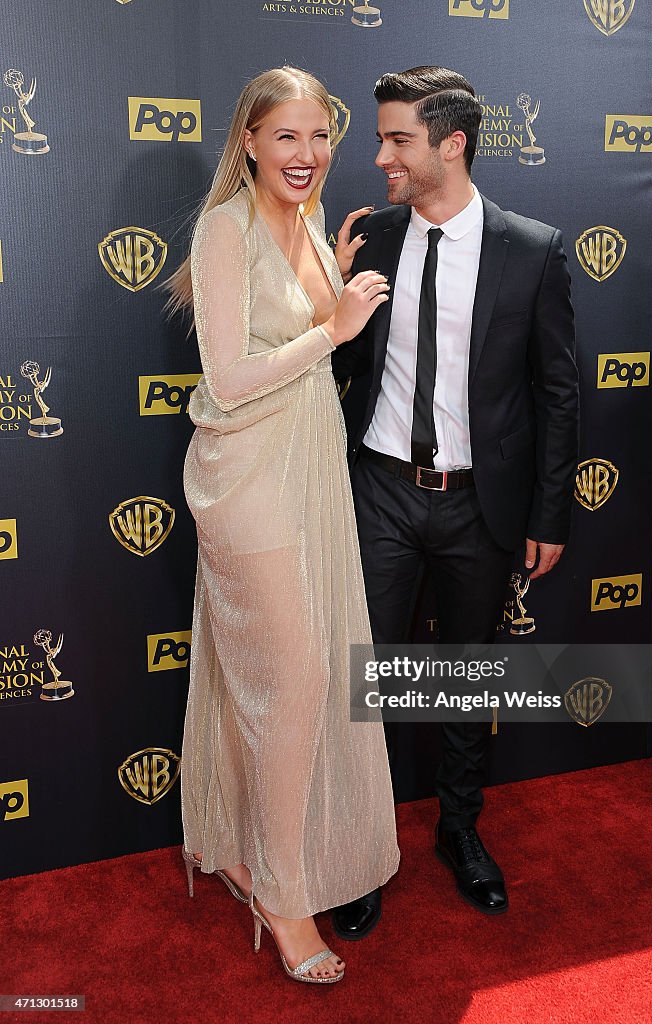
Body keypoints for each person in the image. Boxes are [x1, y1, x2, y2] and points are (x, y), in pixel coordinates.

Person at [331, 66, 578, 938]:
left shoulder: (534, 248)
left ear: (451, 143)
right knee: (370, 682)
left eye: (397, 138)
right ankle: (361, 850)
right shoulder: (373, 236)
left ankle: (459, 831)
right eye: (381, 136)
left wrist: (549, 516)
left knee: (469, 677)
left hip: (481, 505)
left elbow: (557, 394)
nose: (379, 154)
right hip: (381, 495)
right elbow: (338, 367)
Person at [165, 66, 400, 984]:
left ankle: (226, 841)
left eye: (319, 137)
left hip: (310, 469)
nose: (306, 154)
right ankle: (284, 895)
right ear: (250, 143)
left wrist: (328, 268)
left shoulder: (305, 222)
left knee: (255, 669)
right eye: (287, 137)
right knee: (298, 677)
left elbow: (295, 323)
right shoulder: (223, 229)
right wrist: (334, 329)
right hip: (248, 477)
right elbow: (227, 380)